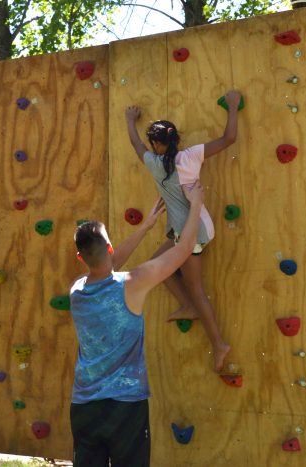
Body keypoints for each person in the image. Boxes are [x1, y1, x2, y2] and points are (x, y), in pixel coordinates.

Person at [69, 184, 204, 467]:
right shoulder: (132, 284)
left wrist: (144, 228)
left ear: (80, 258)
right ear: (109, 247)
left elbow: (107, 265)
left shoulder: (77, 292)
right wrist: (195, 204)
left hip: (84, 407)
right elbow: (186, 247)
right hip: (125, 407)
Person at [124, 90, 242, 373]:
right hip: (197, 225)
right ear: (175, 139)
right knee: (157, 267)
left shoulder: (153, 163)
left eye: (153, 143)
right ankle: (187, 305)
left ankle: (219, 344)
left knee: (196, 289)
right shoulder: (191, 156)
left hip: (191, 235)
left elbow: (135, 143)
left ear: (156, 143)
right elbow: (229, 139)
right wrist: (234, 107)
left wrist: (130, 120)